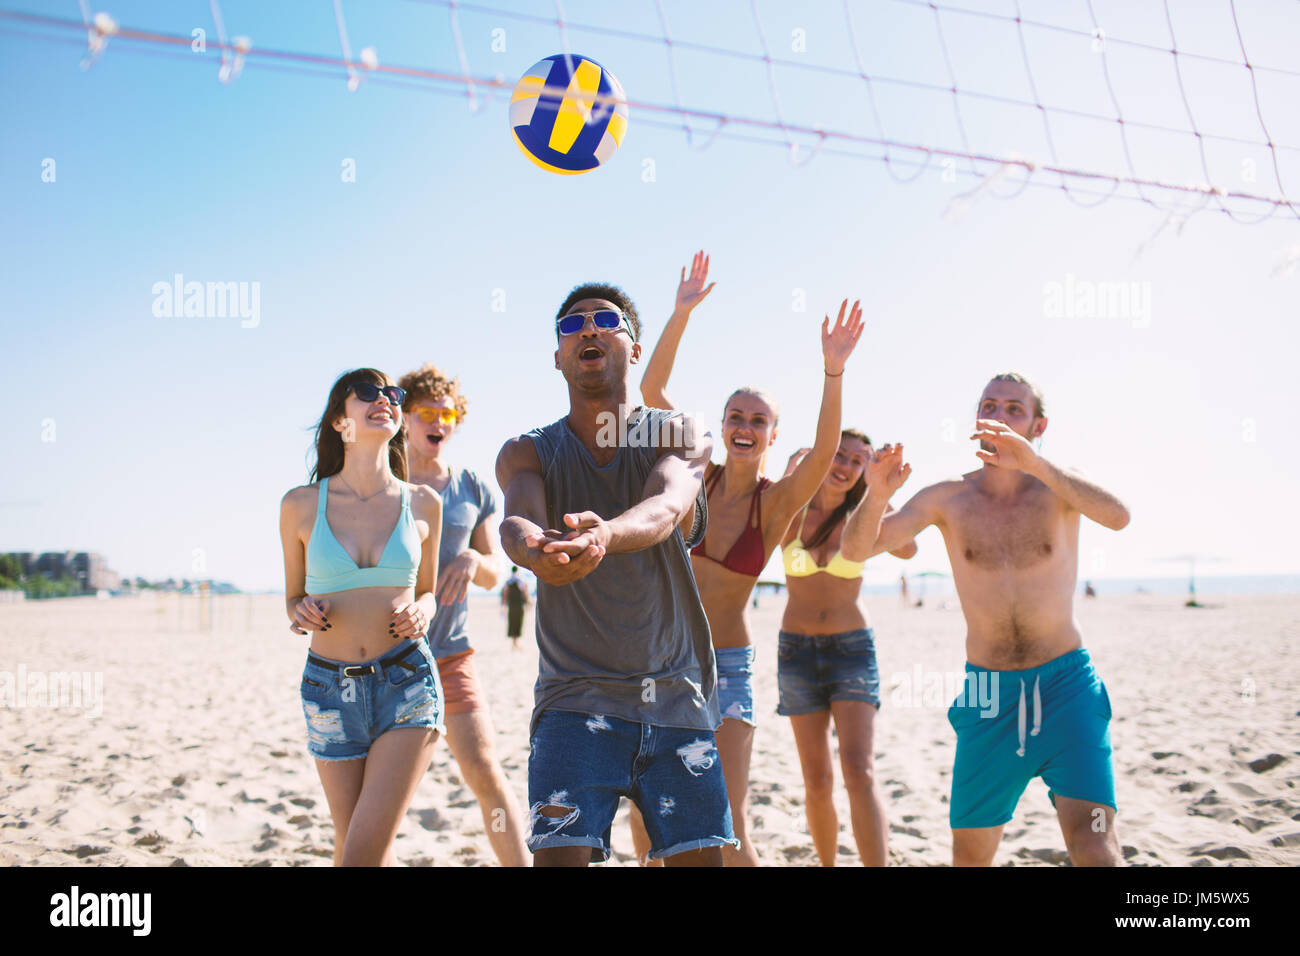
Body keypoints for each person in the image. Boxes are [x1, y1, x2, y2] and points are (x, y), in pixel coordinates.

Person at [637, 250, 865, 865]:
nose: (744, 426)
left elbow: (822, 452)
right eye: (735, 416)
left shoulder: (779, 502)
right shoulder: (695, 476)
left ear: (771, 436)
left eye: (758, 421)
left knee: (727, 819)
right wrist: (681, 312)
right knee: (648, 813)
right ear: (722, 424)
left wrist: (833, 371)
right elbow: (652, 390)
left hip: (726, 666)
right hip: (659, 656)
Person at [496, 281, 734, 867]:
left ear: (632, 343)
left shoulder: (680, 433)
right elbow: (516, 521)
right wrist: (534, 552)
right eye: (572, 326)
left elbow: (667, 507)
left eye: (605, 319)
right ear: (557, 357)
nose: (589, 330)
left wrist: (603, 534)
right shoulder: (527, 450)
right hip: (575, 700)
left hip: (676, 698)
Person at [850, 373, 1131, 867]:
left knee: (1093, 844)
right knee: (972, 856)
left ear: (1038, 424)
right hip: (989, 694)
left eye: (1014, 410)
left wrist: (1038, 465)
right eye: (989, 406)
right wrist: (875, 494)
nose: (999, 418)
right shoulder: (946, 498)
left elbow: (1118, 515)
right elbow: (856, 551)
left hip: (1066, 685)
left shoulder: (1060, 488)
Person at [278, 368, 444, 866]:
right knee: (350, 843)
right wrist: (299, 611)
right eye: (367, 393)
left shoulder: (424, 503)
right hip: (329, 691)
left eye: (392, 395)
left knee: (362, 854)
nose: (385, 401)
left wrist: (422, 611)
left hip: (406, 682)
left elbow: (430, 592)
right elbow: (291, 599)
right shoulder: (300, 505)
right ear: (337, 421)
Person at [397, 362, 529, 867]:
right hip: (388, 657)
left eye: (447, 413)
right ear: (406, 417)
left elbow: (497, 571)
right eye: (426, 411)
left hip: (452, 655)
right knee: (381, 793)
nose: (438, 421)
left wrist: (476, 559)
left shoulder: (472, 485)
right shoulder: (382, 481)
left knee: (485, 771)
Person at [777, 430, 917, 866]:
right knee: (817, 779)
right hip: (795, 652)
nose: (845, 465)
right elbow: (765, 529)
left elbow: (909, 547)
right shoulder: (794, 509)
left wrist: (881, 492)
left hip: (851, 650)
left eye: (857, 460)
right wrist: (789, 477)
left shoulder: (862, 512)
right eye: (839, 454)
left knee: (859, 771)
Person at [501, 565, 531, 646]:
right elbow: (525, 592)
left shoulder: (508, 581)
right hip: (519, 605)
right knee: (518, 622)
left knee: (512, 621)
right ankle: (516, 642)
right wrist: (528, 602)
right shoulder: (520, 580)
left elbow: (504, 593)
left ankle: (514, 642)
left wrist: (504, 603)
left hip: (511, 605)